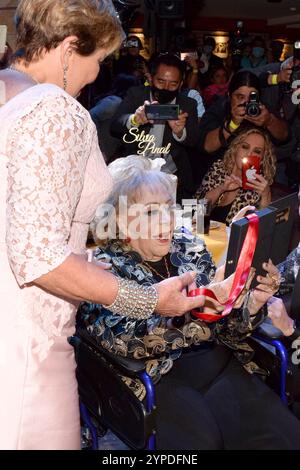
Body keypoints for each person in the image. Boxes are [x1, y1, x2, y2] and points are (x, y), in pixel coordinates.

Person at [0, 0, 206, 450]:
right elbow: (37, 257)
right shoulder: (54, 108)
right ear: (72, 47)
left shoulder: (9, 96)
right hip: (28, 340)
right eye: (98, 60)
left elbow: (20, 225)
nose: (97, 74)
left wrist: (85, 258)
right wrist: (147, 299)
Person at [77, 155, 300, 450]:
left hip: (220, 366)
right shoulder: (104, 270)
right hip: (158, 380)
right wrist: (200, 308)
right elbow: (127, 342)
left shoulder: (188, 246)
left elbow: (228, 330)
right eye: (150, 212)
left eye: (169, 208)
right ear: (120, 219)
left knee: (284, 437)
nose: (166, 220)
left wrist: (251, 304)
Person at [110, 53, 199, 201]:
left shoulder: (187, 104)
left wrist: (180, 132)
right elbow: (115, 126)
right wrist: (135, 120)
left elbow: (194, 141)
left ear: (181, 84)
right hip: (134, 174)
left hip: (171, 176)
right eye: (161, 81)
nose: (166, 88)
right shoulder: (136, 95)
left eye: (173, 84)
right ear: (150, 78)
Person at [198, 70, 289, 166]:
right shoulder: (219, 109)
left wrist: (269, 121)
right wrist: (232, 124)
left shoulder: (263, 109)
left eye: (252, 97)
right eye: (240, 97)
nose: (246, 102)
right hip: (222, 171)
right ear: (229, 95)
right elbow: (206, 146)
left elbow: (285, 136)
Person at [195, 128, 276, 225]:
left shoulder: (258, 186)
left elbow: (261, 228)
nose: (249, 154)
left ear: (262, 159)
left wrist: (266, 195)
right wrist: (221, 189)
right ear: (236, 148)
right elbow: (197, 212)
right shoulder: (219, 168)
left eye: (257, 151)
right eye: (245, 147)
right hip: (201, 232)